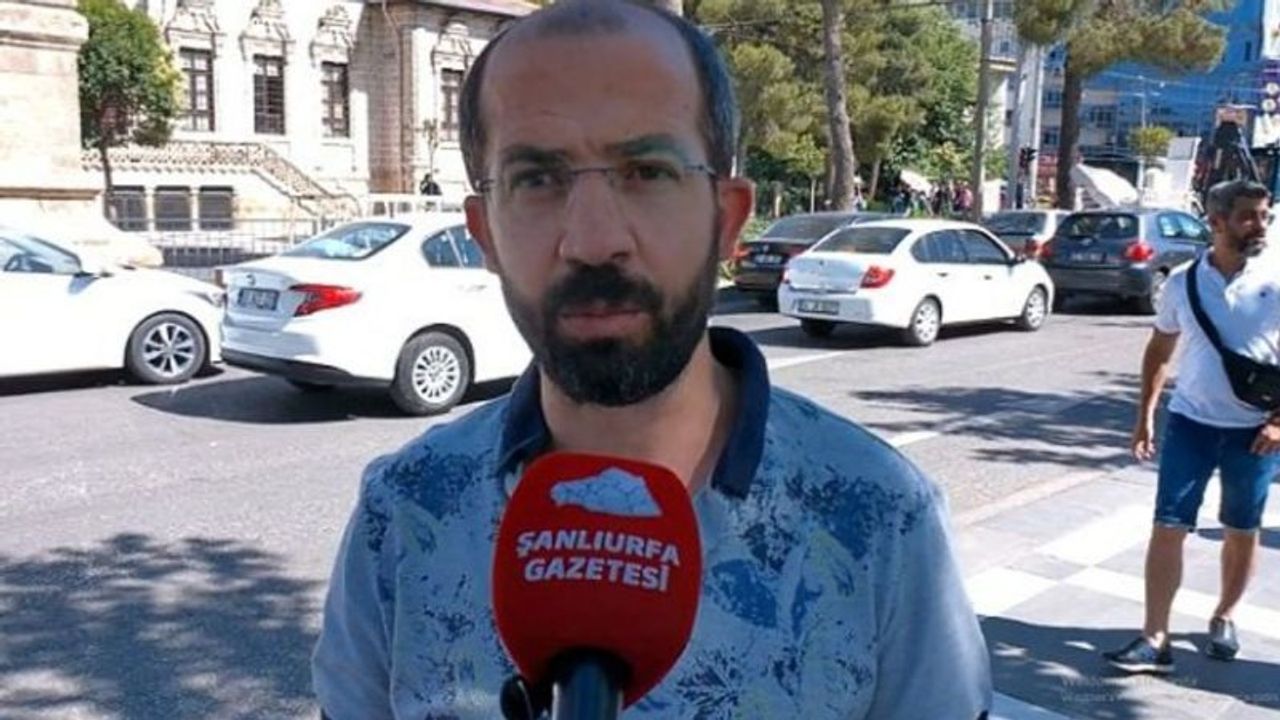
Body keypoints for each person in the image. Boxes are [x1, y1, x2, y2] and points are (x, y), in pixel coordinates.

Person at [312, 2, 992, 718]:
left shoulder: (881, 515)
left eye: (646, 171)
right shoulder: (403, 510)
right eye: (537, 179)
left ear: (727, 219)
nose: (592, 241)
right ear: (484, 233)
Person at [1104, 179, 1280, 675]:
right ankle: (1154, 637)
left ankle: (1225, 615)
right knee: (1168, 525)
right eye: (1248, 216)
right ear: (1217, 222)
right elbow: (1160, 348)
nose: (1260, 225)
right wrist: (1144, 415)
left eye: (1264, 215)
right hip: (1190, 424)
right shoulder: (1183, 282)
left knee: (1241, 529)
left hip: (1254, 431)